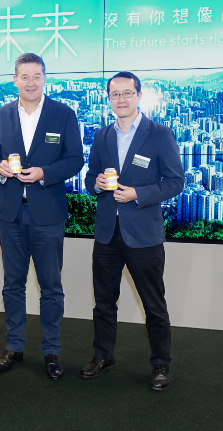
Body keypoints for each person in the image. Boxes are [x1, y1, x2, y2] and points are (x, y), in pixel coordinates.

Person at [81, 72, 184, 391]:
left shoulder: (160, 134)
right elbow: (91, 178)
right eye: (115, 94)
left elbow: (175, 182)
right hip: (107, 234)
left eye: (127, 93)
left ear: (139, 96)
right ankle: (103, 356)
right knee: (104, 302)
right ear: (108, 99)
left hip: (143, 234)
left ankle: (160, 363)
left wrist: (138, 194)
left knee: (154, 303)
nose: (121, 99)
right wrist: (95, 184)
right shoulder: (101, 136)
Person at [0, 53, 83, 379]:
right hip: (10, 215)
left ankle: (51, 350)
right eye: (24, 77)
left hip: (48, 214)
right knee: (13, 285)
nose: (30, 83)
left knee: (51, 286)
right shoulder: (1, 115)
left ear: (45, 79)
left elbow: (75, 160)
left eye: (37, 76)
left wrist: (44, 172)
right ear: (15, 80)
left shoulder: (63, 114)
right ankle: (13, 346)